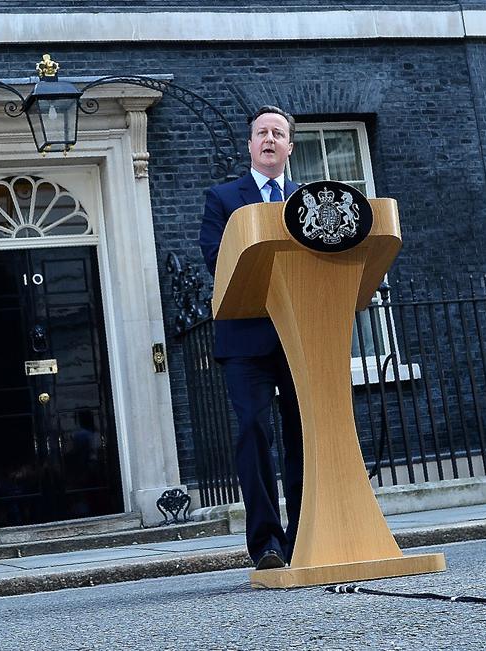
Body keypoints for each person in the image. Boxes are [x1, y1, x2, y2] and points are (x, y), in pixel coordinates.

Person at [198, 105, 303, 570]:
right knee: (254, 432)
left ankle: (305, 535)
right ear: (250, 145)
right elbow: (215, 259)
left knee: (306, 436)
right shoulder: (224, 199)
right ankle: (267, 544)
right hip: (245, 337)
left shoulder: (309, 199)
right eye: (262, 132)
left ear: (289, 147)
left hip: (302, 335)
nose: (269, 139)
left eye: (278, 133)